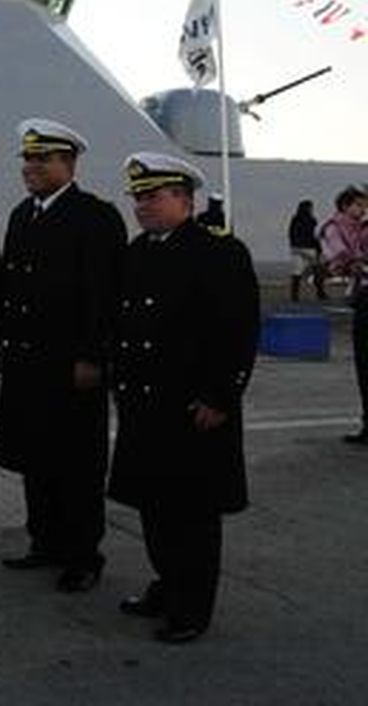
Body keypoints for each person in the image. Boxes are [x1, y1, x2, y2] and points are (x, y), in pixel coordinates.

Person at [108, 153, 258, 643]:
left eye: (153, 196)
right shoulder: (139, 252)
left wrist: (220, 396)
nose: (142, 205)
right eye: (138, 197)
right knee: (155, 505)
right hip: (145, 406)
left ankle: (192, 607)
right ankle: (167, 584)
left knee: (192, 513)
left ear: (184, 199)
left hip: (193, 408)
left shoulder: (219, 252)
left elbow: (237, 331)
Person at [0, 119, 127, 593]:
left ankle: (82, 554)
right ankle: (44, 540)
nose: (31, 167)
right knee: (35, 455)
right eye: (27, 159)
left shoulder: (95, 216)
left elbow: (103, 293)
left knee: (77, 461)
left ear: (68, 164)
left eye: (42, 159)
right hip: (28, 360)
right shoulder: (21, 216)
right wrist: (3, 339)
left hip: (71, 364)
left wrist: (93, 355)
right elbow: (12, 288)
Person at [321, 187, 368, 444]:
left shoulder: (362, 228)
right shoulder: (335, 228)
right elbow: (338, 256)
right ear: (345, 205)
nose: (362, 210)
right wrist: (352, 263)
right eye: (358, 205)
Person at [288, 199, 324, 302]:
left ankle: (294, 296)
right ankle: (320, 293)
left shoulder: (295, 219)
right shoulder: (312, 220)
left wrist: (293, 245)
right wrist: (319, 249)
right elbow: (313, 236)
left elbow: (291, 234)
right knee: (317, 271)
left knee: (297, 273)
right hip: (309, 249)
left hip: (296, 249)